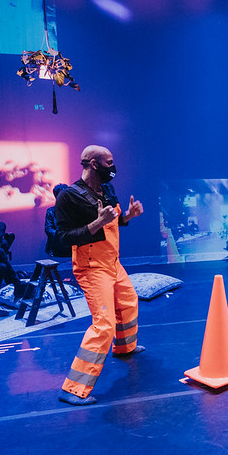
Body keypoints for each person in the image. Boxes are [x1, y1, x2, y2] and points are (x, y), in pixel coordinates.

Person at [55, 145, 144, 406]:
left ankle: (124, 347)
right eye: (109, 162)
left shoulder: (106, 189)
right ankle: (73, 388)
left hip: (112, 261)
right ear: (93, 163)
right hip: (92, 265)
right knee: (104, 324)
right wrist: (97, 223)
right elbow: (63, 239)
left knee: (128, 303)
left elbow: (114, 221)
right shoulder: (68, 197)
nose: (113, 167)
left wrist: (128, 216)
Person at [44, 184, 72, 257]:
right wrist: (63, 235)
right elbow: (48, 229)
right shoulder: (51, 211)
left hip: (73, 248)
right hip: (56, 248)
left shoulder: (74, 209)